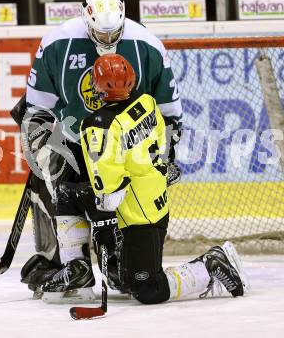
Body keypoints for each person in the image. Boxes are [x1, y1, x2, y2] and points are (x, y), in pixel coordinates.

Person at [40, 54, 249, 304]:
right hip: (151, 197)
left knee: (147, 289)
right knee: (70, 194)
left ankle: (212, 263)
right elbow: (162, 140)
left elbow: (109, 183)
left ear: (96, 86)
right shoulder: (148, 102)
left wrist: (105, 211)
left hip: (139, 217)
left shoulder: (97, 124)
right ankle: (78, 270)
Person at [17, 0, 183, 301]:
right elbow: (36, 109)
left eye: (114, 32)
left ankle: (114, 261)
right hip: (75, 141)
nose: (107, 39)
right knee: (61, 188)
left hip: (124, 158)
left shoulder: (147, 45)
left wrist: (166, 154)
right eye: (100, 33)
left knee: (130, 277)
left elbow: (170, 113)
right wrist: (43, 150)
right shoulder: (57, 43)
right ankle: (75, 264)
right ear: (86, 21)